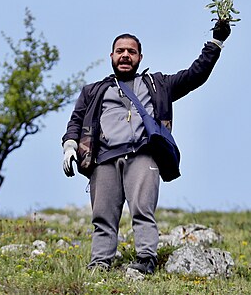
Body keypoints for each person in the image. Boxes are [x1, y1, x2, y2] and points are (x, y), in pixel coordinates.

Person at [61, 20, 231, 275]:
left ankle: (145, 258)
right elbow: (76, 120)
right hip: (104, 159)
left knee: (142, 209)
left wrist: (216, 42)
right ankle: (100, 262)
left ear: (140, 57)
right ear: (111, 56)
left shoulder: (157, 85)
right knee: (103, 216)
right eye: (120, 51)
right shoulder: (93, 91)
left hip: (142, 154)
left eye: (131, 51)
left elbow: (195, 75)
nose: (125, 56)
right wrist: (70, 145)